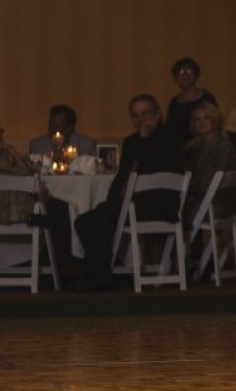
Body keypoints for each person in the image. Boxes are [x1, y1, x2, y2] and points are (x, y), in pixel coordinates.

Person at [73, 94, 184, 292]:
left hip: (160, 203)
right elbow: (122, 177)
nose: (141, 120)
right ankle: (100, 273)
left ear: (157, 114)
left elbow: (152, 168)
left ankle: (98, 276)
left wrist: (144, 139)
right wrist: (112, 201)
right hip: (132, 202)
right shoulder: (131, 141)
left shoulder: (171, 137)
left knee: (99, 219)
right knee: (85, 220)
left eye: (145, 114)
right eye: (135, 116)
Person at [0, 117, 73, 262]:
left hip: (18, 204)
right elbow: (23, 171)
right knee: (59, 210)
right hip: (6, 211)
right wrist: (14, 153)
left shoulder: (2, 154)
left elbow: (31, 169)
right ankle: (57, 263)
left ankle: (54, 262)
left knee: (59, 208)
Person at [183, 101, 236, 223]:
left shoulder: (223, 144)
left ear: (215, 121)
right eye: (197, 119)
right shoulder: (198, 146)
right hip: (204, 201)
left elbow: (207, 184)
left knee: (172, 212)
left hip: (219, 204)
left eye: (206, 118)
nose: (202, 122)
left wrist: (186, 187)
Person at [166, 57, 218, 145]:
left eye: (189, 71)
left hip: (202, 148)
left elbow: (214, 126)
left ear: (196, 76)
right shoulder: (174, 102)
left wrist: (194, 143)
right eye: (181, 72)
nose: (185, 75)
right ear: (175, 78)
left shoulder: (207, 98)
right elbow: (169, 129)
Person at [27, 104, 98, 158]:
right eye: (50, 125)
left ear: (69, 127)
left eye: (56, 126)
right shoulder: (38, 146)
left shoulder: (86, 146)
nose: (51, 129)